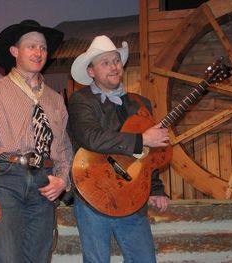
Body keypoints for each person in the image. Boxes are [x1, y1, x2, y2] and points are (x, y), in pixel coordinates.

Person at [0, 20, 72, 263]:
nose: (38, 53)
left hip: (45, 184)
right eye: (31, 46)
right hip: (7, 180)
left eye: (43, 48)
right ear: (15, 51)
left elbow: (64, 148)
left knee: (39, 257)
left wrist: (63, 179)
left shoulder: (55, 100)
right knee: (8, 257)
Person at [68, 35, 170, 263]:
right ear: (91, 72)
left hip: (133, 195)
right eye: (104, 62)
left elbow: (148, 155)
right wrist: (141, 138)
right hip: (93, 193)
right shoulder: (81, 101)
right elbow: (91, 138)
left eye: (115, 61)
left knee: (144, 260)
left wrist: (155, 188)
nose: (113, 67)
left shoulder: (139, 103)